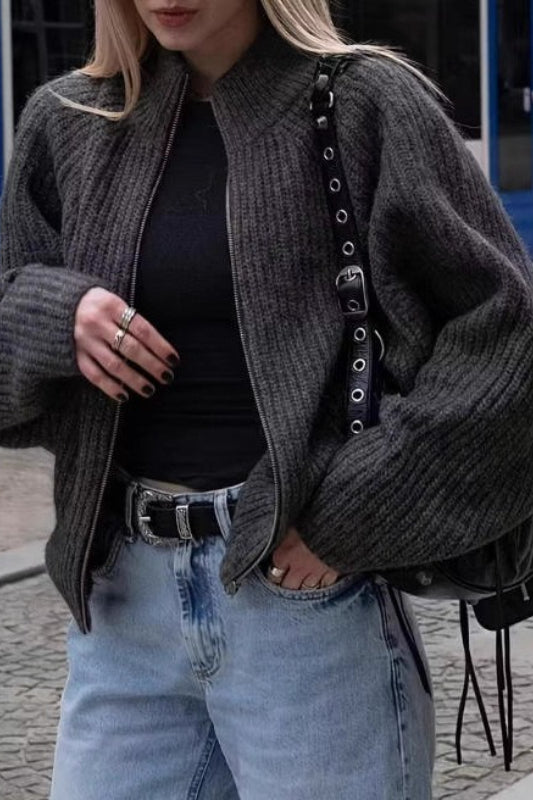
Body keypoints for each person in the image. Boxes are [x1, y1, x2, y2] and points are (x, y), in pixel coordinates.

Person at [1, 1, 532, 798]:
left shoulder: (363, 103)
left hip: (305, 610)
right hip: (120, 607)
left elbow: (506, 333)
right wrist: (53, 315)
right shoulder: (71, 120)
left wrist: (354, 511)